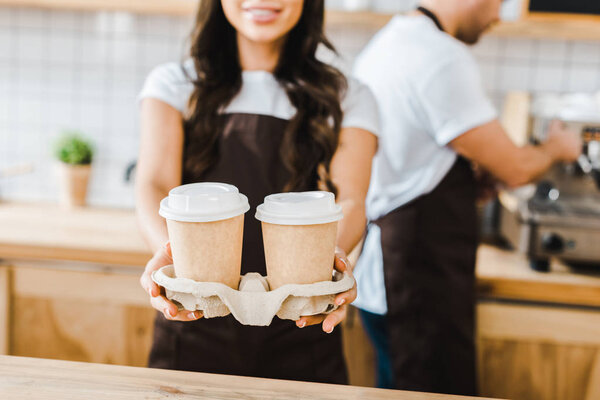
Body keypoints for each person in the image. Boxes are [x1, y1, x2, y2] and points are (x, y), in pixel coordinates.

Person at [135, 0, 379, 384]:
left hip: (302, 323)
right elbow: (154, 185)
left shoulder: (347, 95)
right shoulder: (174, 84)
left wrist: (329, 260)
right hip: (194, 319)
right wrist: (170, 256)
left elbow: (350, 199)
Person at [352, 0, 582, 395]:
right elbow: (515, 168)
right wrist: (558, 148)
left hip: (388, 270)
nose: (499, 15)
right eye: (499, 2)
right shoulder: (440, 57)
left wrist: (462, 182)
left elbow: (414, 159)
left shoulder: (390, 42)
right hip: (419, 276)